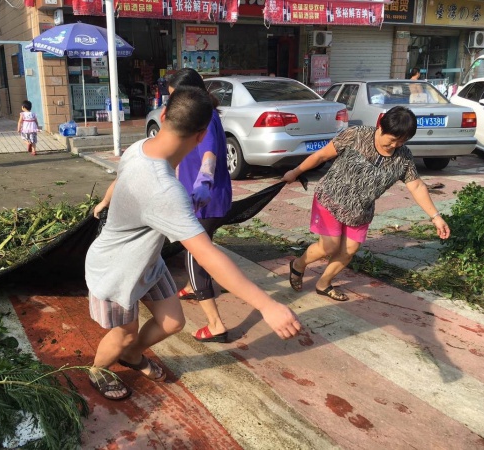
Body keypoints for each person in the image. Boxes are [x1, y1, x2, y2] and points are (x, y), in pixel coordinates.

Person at [86, 87, 302, 401]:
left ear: (163, 116)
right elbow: (208, 256)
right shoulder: (164, 189)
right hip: (117, 270)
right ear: (201, 136)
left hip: (146, 260)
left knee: (173, 322)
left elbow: (128, 184)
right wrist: (267, 305)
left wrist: (184, 200)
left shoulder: (140, 147)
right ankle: (98, 370)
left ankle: (131, 356)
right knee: (123, 334)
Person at [282, 106, 450, 301]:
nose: (395, 145)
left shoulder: (403, 158)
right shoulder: (357, 135)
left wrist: (436, 217)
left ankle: (323, 283)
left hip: (360, 211)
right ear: (381, 126)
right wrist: (295, 172)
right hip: (331, 198)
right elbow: (322, 155)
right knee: (329, 247)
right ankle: (298, 265)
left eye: (401, 141)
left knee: (349, 250)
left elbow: (418, 186)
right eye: (393, 139)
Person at [168, 68, 232, 343]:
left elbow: (209, 152)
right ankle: (191, 286)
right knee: (200, 248)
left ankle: (215, 324)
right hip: (199, 198)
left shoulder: (207, 117)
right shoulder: (196, 114)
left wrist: (203, 182)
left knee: (194, 256)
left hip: (206, 199)